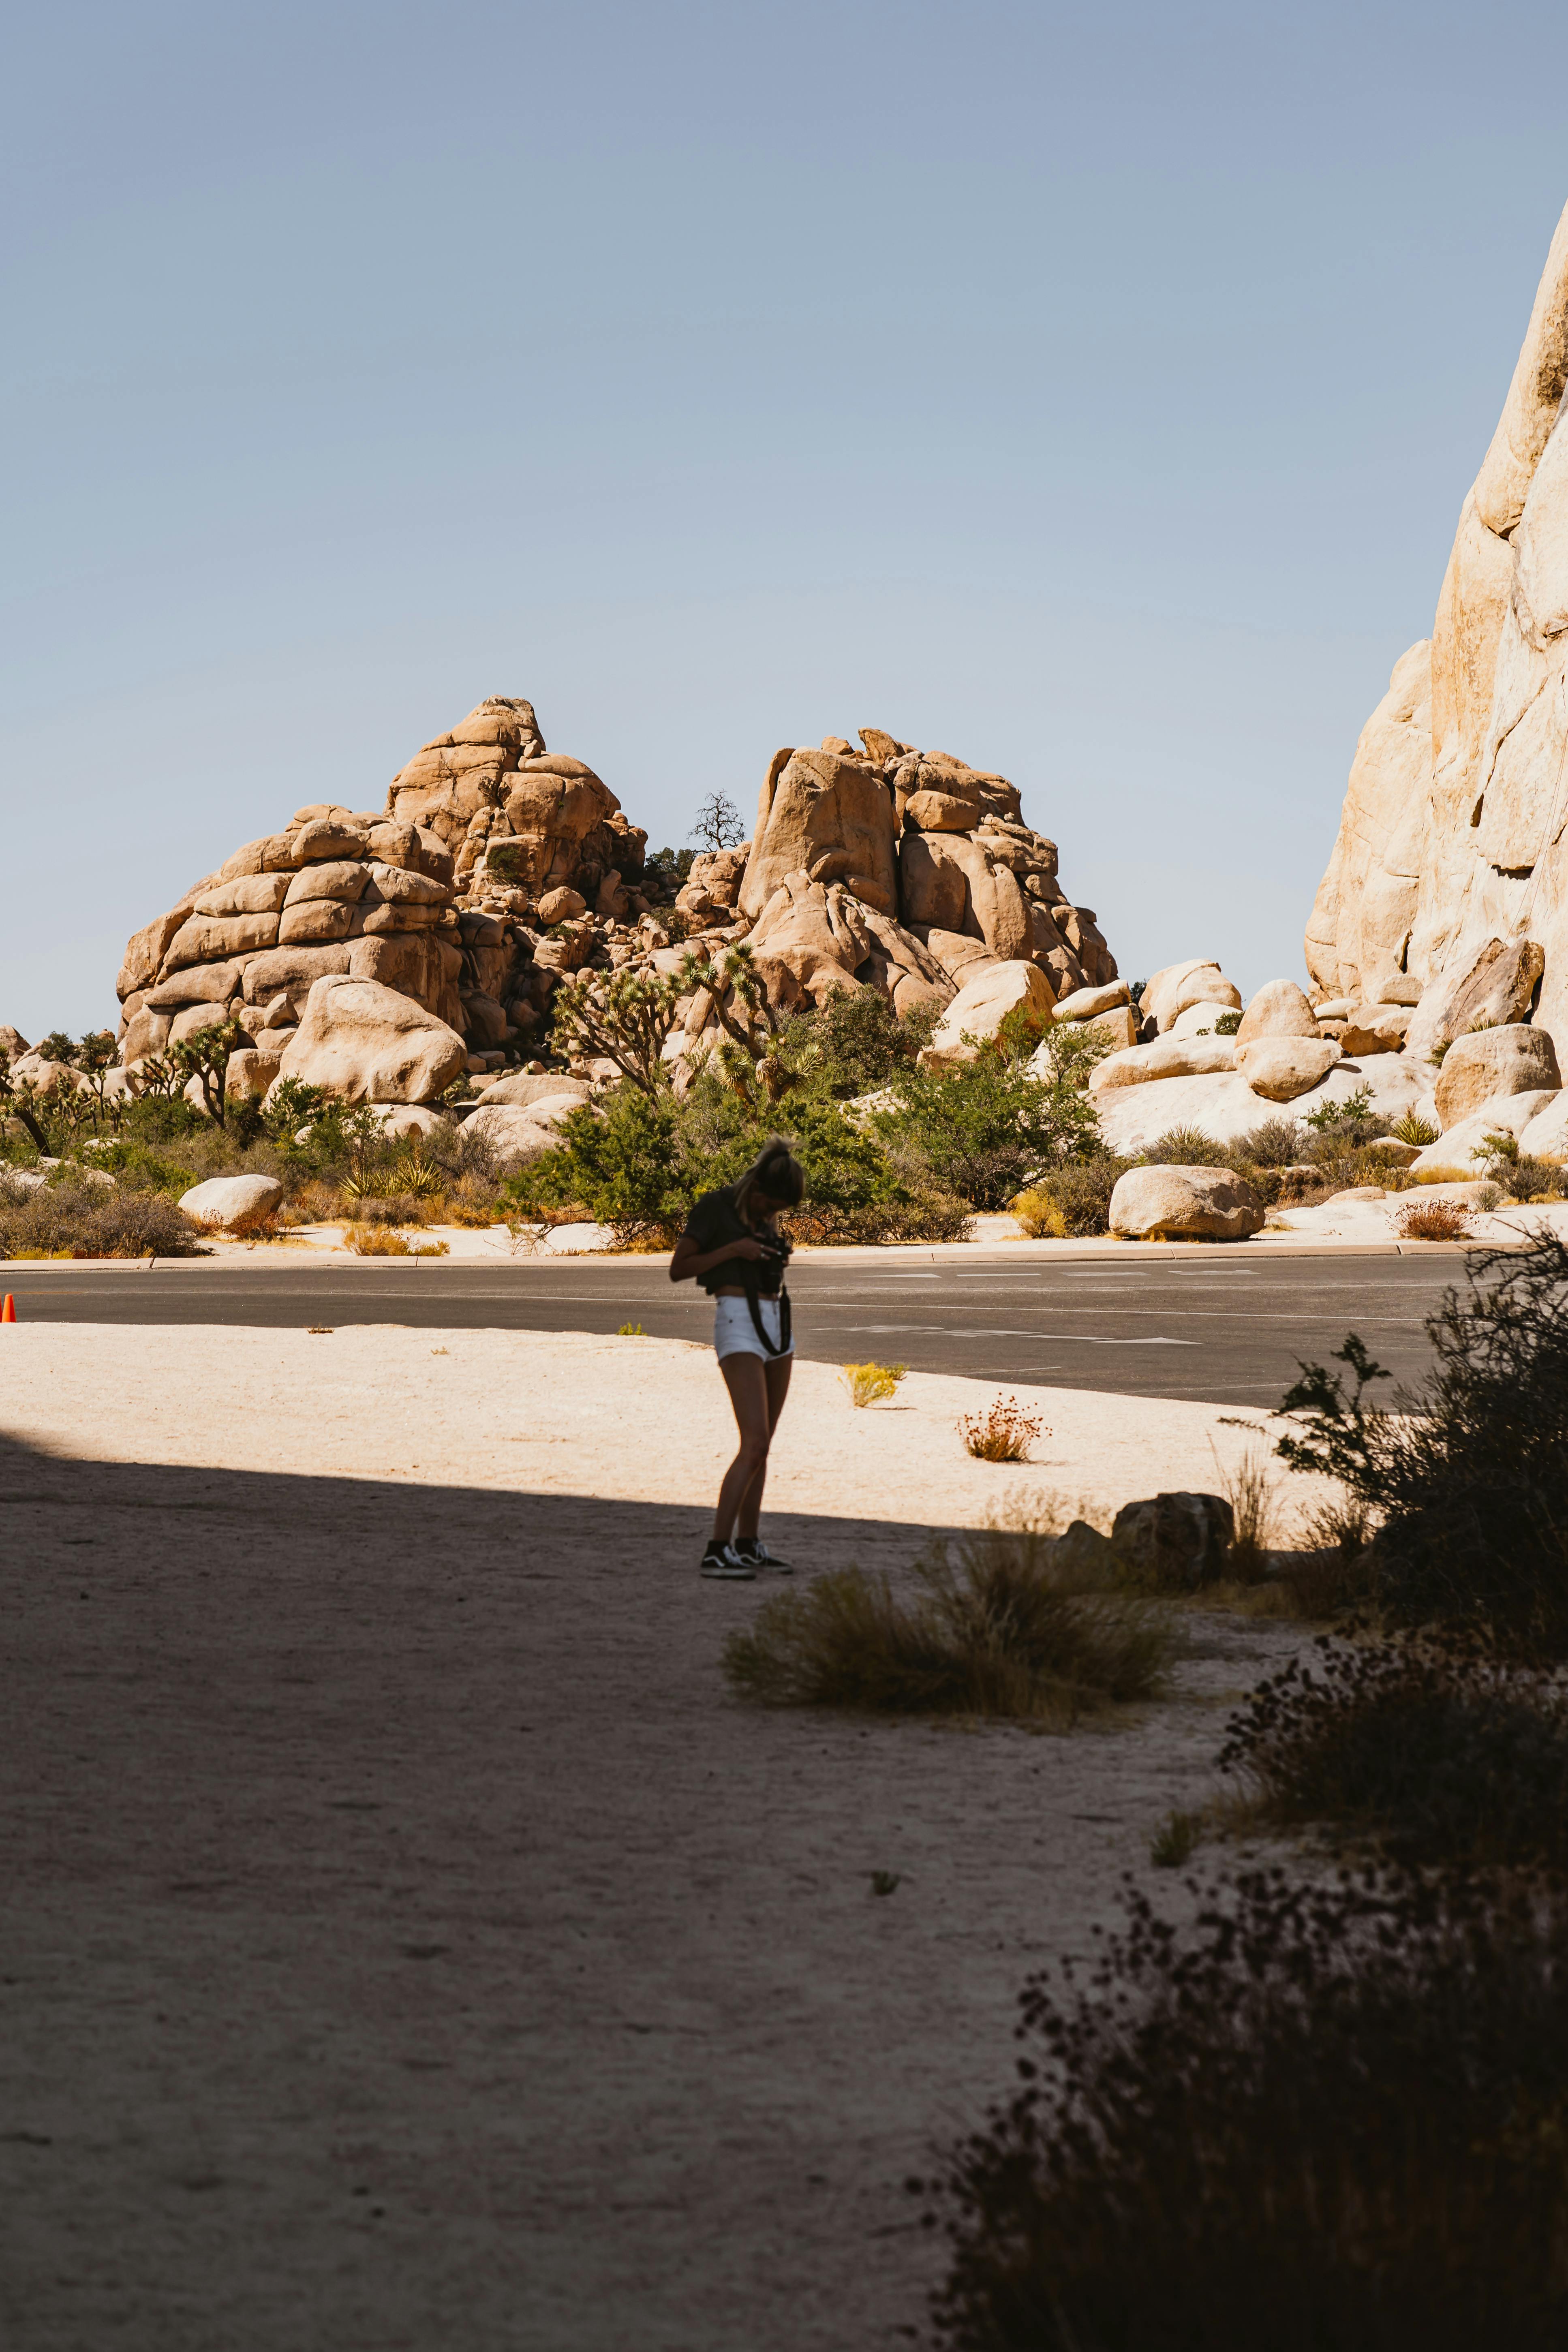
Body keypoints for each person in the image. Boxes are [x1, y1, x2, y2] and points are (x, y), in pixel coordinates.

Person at [669, 1137, 805, 1579]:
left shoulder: (765, 1220)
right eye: (772, 1206)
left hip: (775, 1324)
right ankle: (716, 1549)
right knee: (754, 1443)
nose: (773, 1216)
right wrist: (734, 1250)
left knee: (763, 1446)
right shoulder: (716, 1207)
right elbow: (679, 1267)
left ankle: (747, 1544)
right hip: (737, 1321)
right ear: (758, 1189)